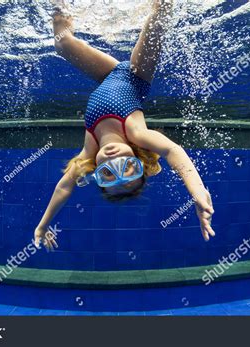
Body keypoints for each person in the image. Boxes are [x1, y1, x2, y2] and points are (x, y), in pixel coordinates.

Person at [34, 0, 215, 250]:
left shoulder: (89, 150)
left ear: (97, 171)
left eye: (107, 173)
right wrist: (197, 193)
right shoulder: (136, 133)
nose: (113, 161)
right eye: (127, 167)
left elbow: (65, 187)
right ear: (138, 160)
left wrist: (43, 225)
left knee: (62, 43)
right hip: (138, 75)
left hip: (107, 74)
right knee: (160, 12)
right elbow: (174, 152)